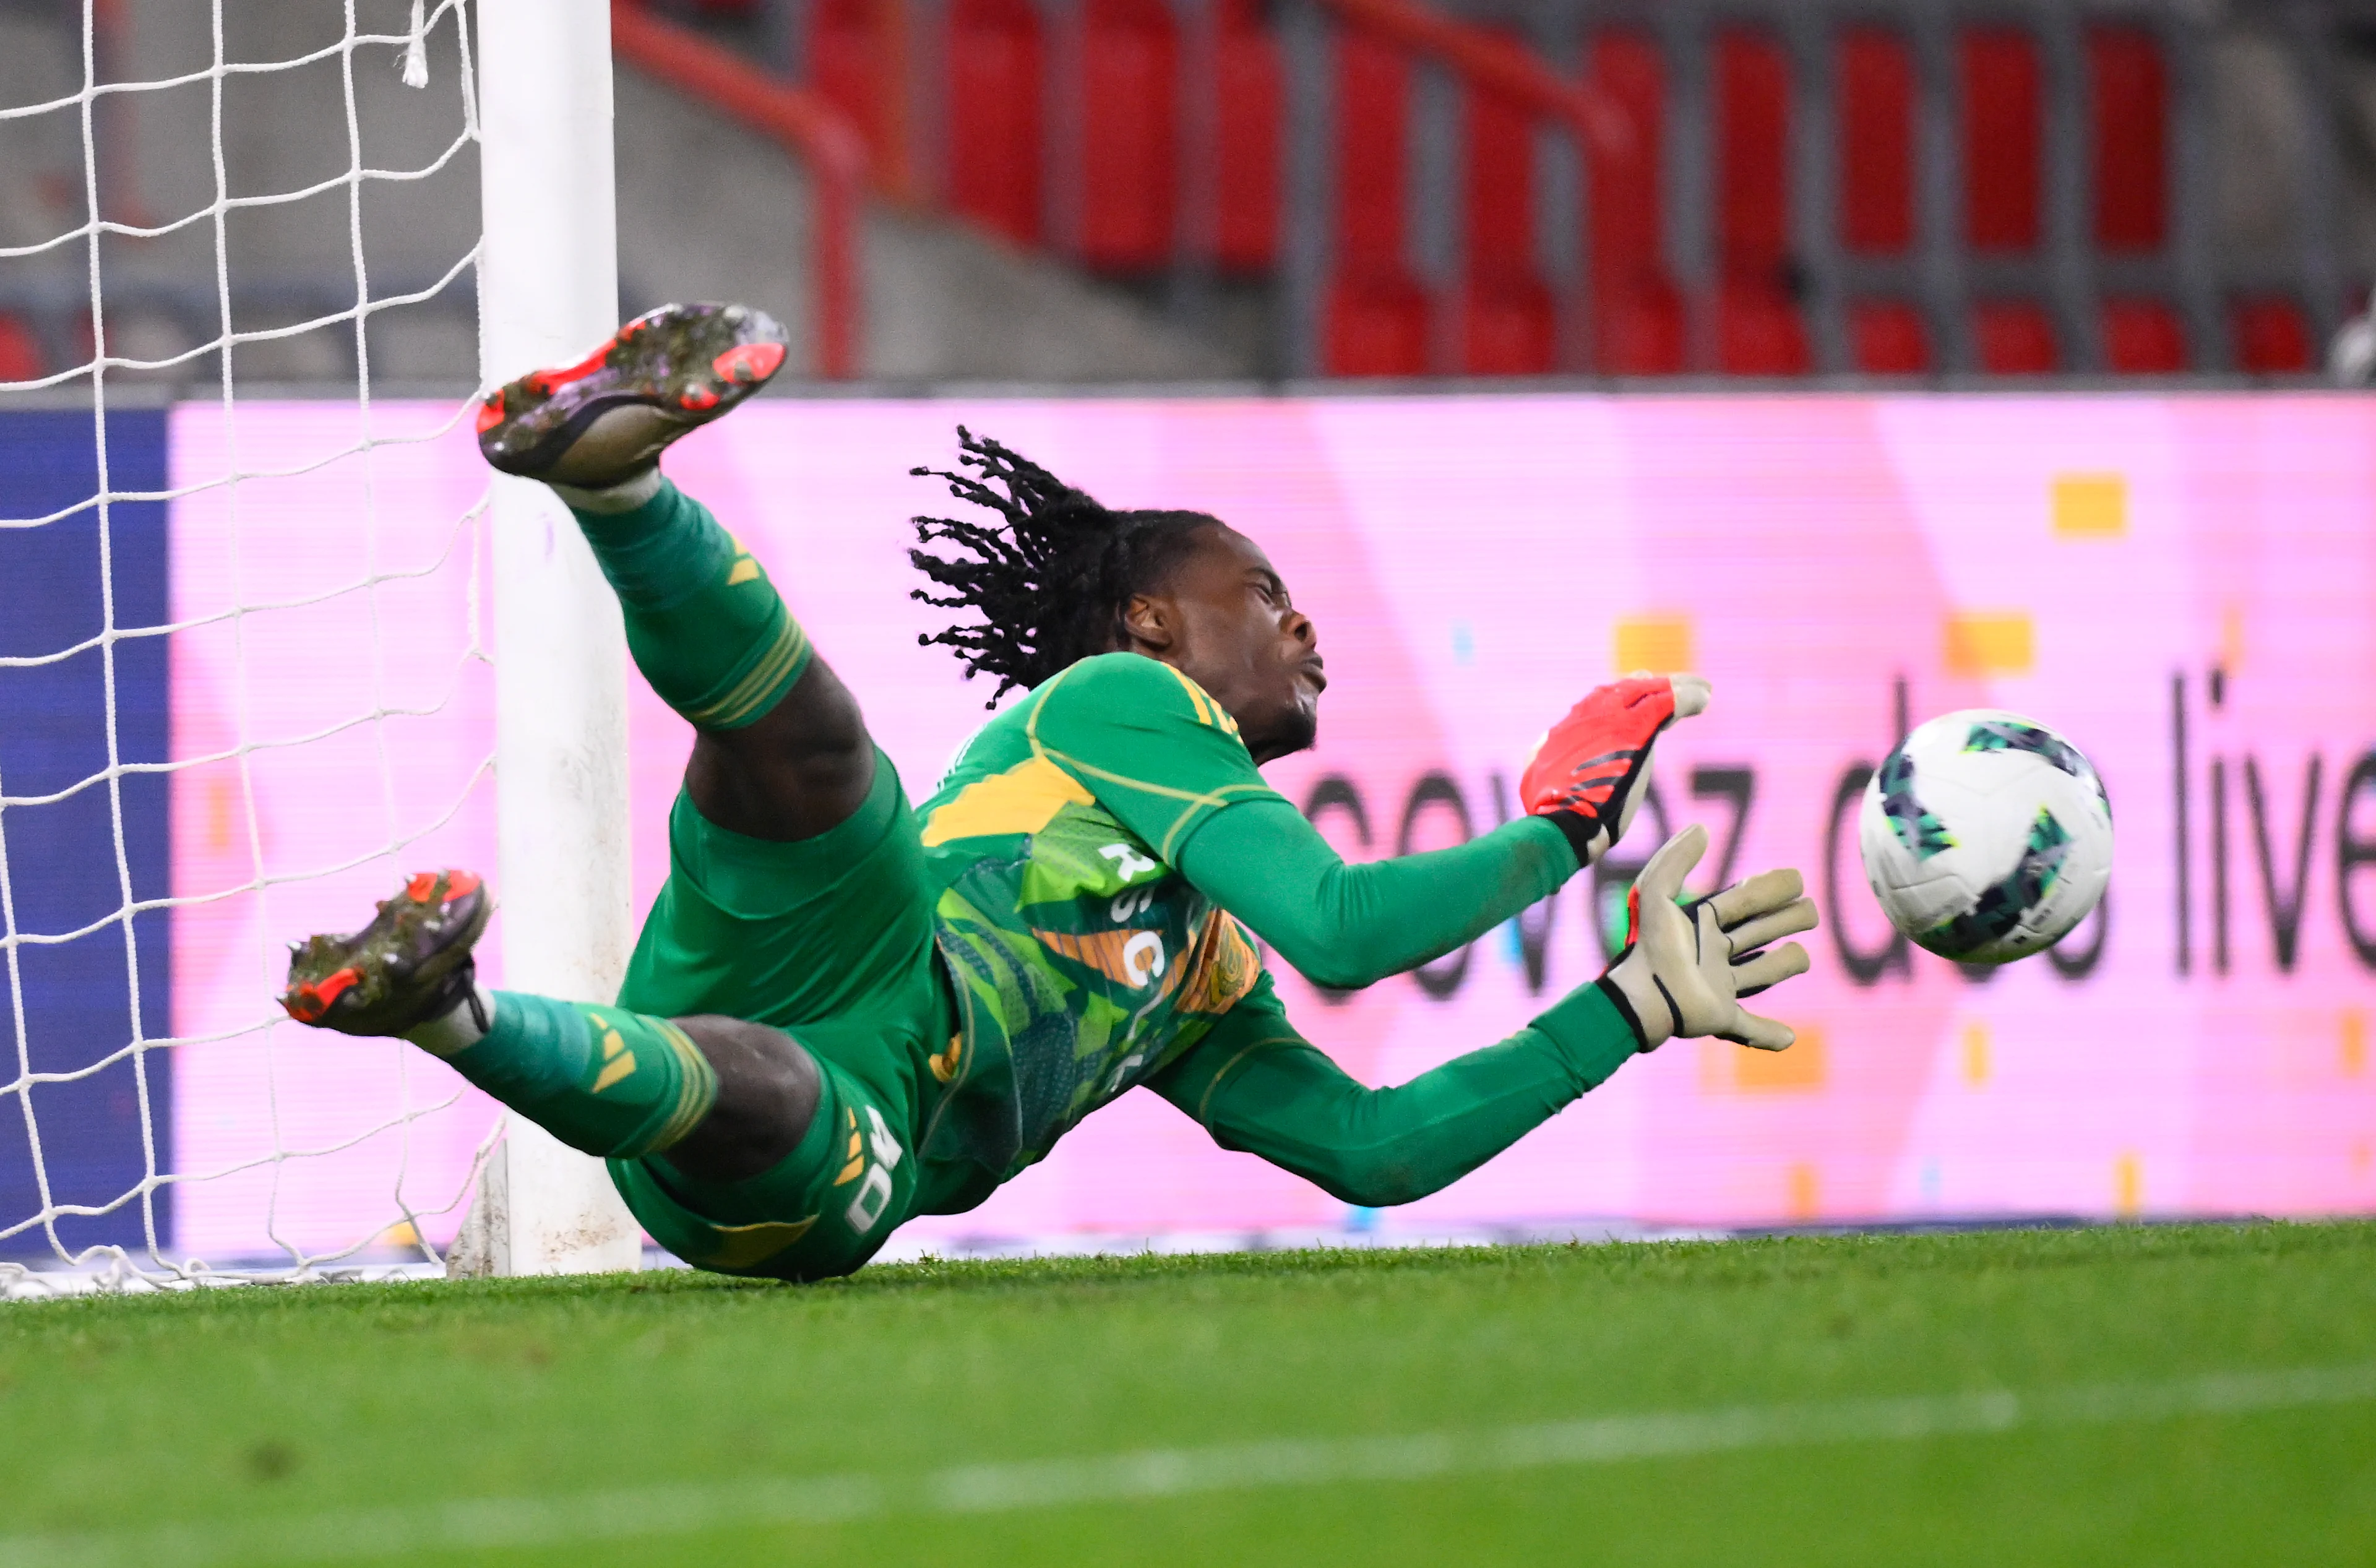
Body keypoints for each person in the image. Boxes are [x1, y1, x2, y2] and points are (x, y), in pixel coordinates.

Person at [281, 301, 1819, 1281]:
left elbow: (1374, 1149)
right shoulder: (1113, 703)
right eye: (1265, 592)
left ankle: (442, 1010)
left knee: (768, 1081)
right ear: (1156, 624)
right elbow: (1344, 923)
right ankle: (619, 484)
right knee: (829, 767)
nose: (1304, 627)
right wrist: (1557, 836)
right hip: (868, 939)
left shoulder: (1206, 980)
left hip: (845, 1144)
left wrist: (1627, 1012)